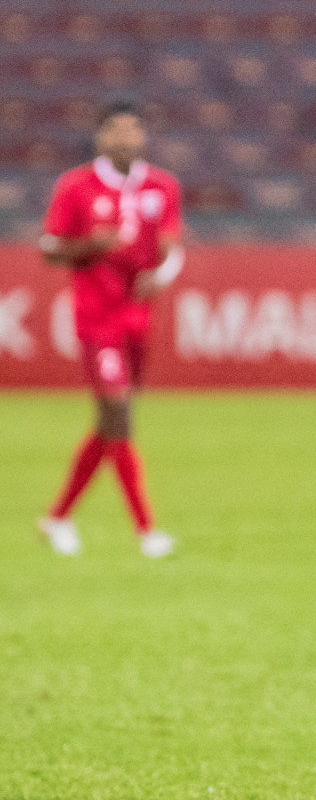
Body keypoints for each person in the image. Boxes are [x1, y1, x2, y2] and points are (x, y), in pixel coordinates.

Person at [37, 101, 181, 559]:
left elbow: (173, 247)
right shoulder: (76, 186)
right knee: (119, 415)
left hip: (137, 317)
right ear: (100, 137)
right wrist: (88, 247)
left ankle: (57, 517)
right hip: (96, 318)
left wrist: (164, 273)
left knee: (109, 423)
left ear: (143, 137)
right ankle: (147, 530)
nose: (124, 139)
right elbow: (49, 247)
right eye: (115, 131)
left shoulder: (162, 186)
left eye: (132, 131)